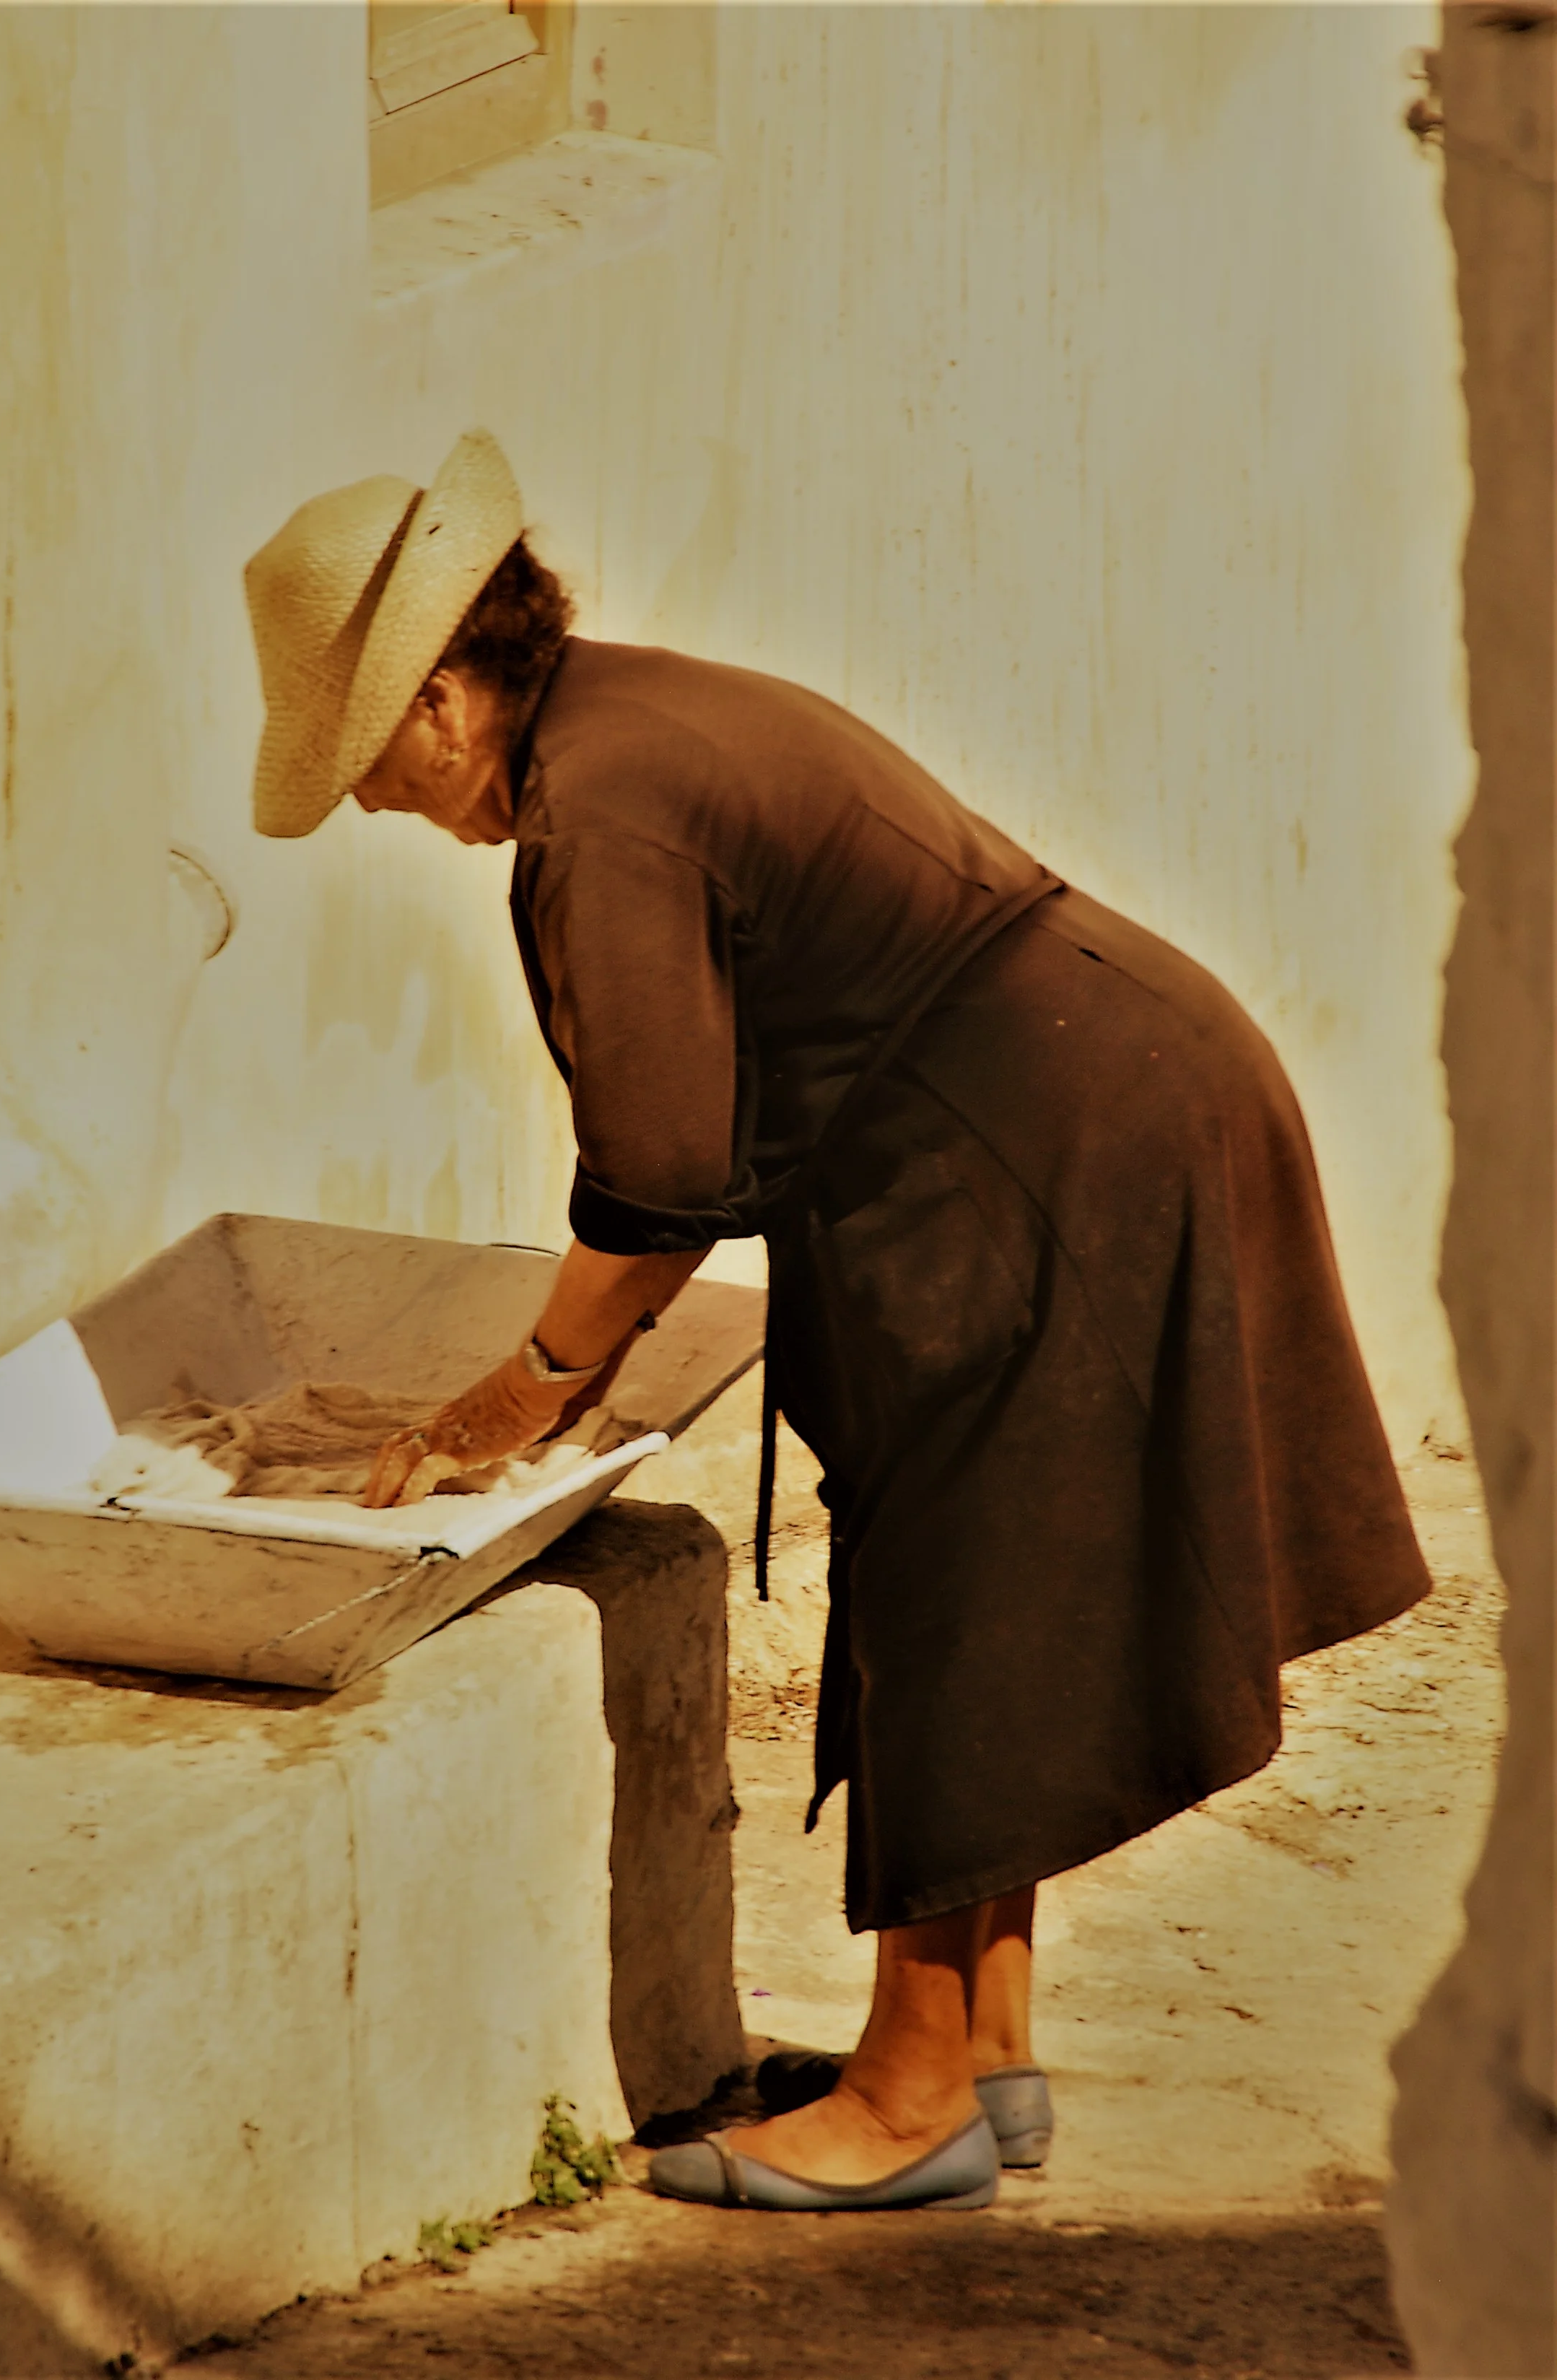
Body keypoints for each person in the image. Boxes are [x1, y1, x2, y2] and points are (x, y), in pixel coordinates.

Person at [245, 429, 1431, 2213]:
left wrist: (521, 1392)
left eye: (360, 764)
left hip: (1048, 1143)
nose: (364, 805)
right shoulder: (631, 717)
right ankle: (985, 2046)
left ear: (434, 700)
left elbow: (654, 1168)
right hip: (1098, 1087)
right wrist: (564, 1370)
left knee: (961, 1597)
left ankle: (909, 2100)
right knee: (966, 1576)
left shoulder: (600, 803)